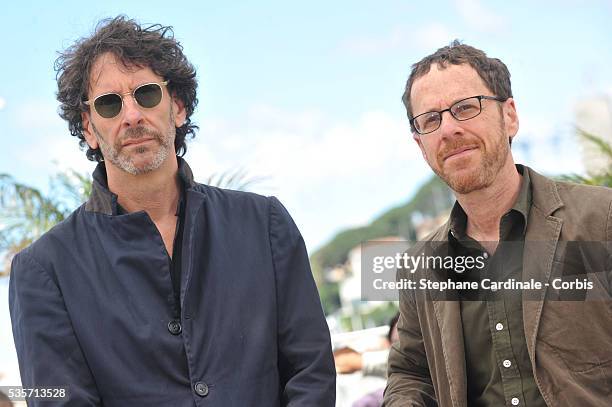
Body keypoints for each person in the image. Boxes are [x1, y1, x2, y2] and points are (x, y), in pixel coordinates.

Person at [9, 16, 335, 406]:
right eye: (109, 104)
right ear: (89, 128)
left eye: (146, 94)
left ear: (177, 107)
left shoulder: (264, 224)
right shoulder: (44, 270)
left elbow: (310, 372)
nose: (131, 116)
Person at [383, 41, 612, 406]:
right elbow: (411, 371)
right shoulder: (419, 269)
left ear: (510, 116)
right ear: (420, 144)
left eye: (465, 108)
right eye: (430, 119)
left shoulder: (602, 220)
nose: (448, 129)